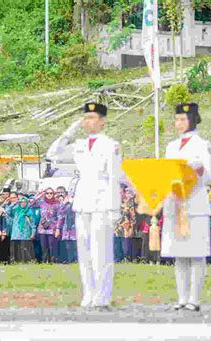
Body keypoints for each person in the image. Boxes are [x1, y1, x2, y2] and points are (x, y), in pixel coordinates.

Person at [162, 103, 211, 312]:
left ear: (192, 119)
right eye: (176, 119)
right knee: (179, 253)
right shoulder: (171, 146)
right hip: (175, 203)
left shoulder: (203, 144)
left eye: (183, 119)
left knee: (196, 253)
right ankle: (182, 297)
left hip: (195, 203)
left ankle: (195, 298)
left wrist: (198, 169)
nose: (179, 123)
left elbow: (209, 175)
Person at [72, 102, 122, 309]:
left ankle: (102, 296)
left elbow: (114, 177)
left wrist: (115, 208)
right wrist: (71, 129)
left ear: (102, 121)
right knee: (83, 252)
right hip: (82, 202)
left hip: (102, 204)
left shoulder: (111, 145)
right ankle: (88, 293)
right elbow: (53, 153)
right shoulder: (79, 145)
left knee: (101, 252)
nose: (88, 121)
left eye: (92, 117)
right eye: (86, 117)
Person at [32, 188, 61, 263]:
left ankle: (53, 261)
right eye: (47, 193)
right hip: (42, 228)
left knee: (52, 246)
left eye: (51, 193)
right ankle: (45, 261)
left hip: (52, 228)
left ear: (53, 194)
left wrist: (58, 228)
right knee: (43, 246)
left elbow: (60, 217)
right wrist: (38, 195)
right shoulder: (41, 203)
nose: (49, 195)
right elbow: (30, 204)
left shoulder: (57, 204)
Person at [8, 197, 36, 263]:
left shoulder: (29, 212)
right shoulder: (16, 211)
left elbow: (33, 224)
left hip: (25, 234)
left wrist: (33, 233)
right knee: (16, 249)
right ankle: (15, 262)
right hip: (16, 234)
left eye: (24, 202)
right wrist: (14, 203)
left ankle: (26, 262)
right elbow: (7, 211)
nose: (23, 203)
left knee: (25, 249)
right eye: (21, 202)